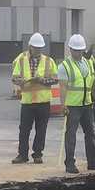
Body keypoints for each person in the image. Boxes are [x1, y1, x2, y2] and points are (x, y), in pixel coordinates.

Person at [58, 34, 95, 175]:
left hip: (86, 104)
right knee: (71, 135)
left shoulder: (88, 63)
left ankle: (92, 161)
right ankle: (69, 163)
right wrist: (63, 105)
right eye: (76, 50)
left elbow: (92, 81)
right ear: (70, 49)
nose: (78, 53)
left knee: (90, 133)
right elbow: (63, 87)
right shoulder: (64, 66)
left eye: (80, 50)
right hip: (72, 106)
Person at [10, 32, 59, 164]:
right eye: (35, 47)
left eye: (39, 48)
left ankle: (38, 154)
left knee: (41, 130)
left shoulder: (49, 61)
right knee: (24, 130)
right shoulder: (21, 60)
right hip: (27, 101)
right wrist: (21, 81)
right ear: (30, 46)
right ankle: (22, 155)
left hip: (43, 101)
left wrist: (42, 80)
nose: (37, 50)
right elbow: (14, 78)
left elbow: (55, 79)